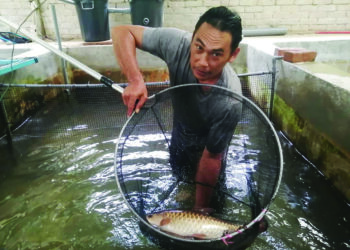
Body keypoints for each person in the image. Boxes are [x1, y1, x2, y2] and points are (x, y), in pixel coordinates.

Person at [111, 6, 243, 210]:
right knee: (182, 191)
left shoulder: (230, 101)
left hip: (210, 150)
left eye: (216, 54)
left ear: (232, 55)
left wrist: (200, 212)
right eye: (198, 47)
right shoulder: (178, 44)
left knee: (212, 204)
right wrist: (135, 79)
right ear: (192, 39)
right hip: (180, 139)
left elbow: (212, 157)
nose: (202, 62)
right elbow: (122, 32)